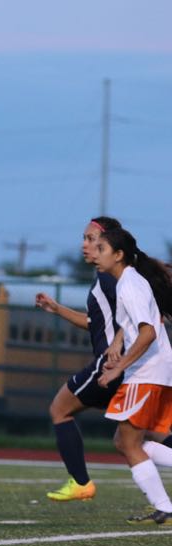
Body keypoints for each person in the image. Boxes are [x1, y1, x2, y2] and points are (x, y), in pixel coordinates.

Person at [35, 217, 124, 502]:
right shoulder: (108, 275)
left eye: (90, 238)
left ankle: (81, 482)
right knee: (145, 435)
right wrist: (57, 308)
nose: (84, 245)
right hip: (128, 367)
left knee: (60, 409)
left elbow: (139, 316)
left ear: (108, 242)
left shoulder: (112, 276)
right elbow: (94, 323)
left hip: (109, 364)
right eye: (83, 238)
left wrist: (117, 348)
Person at [93, 227, 172, 524]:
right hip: (156, 370)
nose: (94, 254)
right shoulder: (130, 283)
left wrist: (120, 365)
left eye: (101, 249)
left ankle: (165, 507)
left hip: (148, 372)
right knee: (130, 440)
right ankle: (164, 506)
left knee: (127, 443)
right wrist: (117, 344)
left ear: (119, 255)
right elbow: (139, 323)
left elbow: (148, 332)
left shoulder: (130, 286)